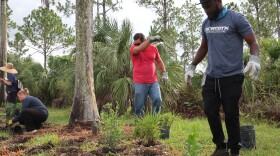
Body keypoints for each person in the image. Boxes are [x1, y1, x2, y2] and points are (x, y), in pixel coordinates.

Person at [185, 0, 260, 156]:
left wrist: (255, 60)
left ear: (218, 2)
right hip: (211, 75)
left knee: (231, 113)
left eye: (209, 7)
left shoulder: (236, 18)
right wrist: (192, 66)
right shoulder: (206, 23)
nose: (207, 11)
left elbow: (252, 42)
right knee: (210, 110)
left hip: (232, 75)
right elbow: (204, 47)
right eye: (204, 8)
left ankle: (234, 150)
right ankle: (220, 147)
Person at [130, 33, 168, 116]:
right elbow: (138, 49)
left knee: (158, 100)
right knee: (139, 105)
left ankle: (154, 121)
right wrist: (151, 39)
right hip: (139, 82)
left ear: (144, 41)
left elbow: (159, 61)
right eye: (135, 43)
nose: (136, 45)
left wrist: (164, 73)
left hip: (153, 81)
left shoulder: (153, 48)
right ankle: (140, 125)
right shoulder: (133, 48)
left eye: (138, 43)